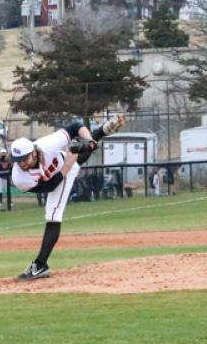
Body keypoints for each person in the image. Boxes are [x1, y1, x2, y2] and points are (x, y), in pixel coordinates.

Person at [11, 115, 125, 280]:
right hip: (59, 174)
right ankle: (101, 132)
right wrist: (66, 167)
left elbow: (75, 126)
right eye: (17, 160)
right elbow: (49, 187)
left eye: (24, 158)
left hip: (63, 164)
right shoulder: (19, 177)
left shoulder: (46, 145)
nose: (21, 163)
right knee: (74, 160)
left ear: (34, 152)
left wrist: (89, 140)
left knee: (53, 215)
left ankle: (40, 265)